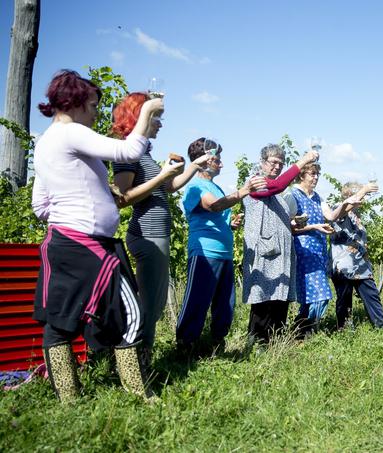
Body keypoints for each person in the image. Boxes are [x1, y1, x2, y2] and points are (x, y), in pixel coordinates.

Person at [31, 70, 163, 402]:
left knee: (60, 322)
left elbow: (39, 205)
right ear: (74, 102)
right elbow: (128, 152)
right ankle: (139, 395)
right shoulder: (71, 131)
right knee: (131, 315)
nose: (95, 113)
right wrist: (147, 111)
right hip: (89, 244)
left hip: (62, 241)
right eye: (92, 104)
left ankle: (70, 400)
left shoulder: (46, 142)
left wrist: (70, 214)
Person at [111, 92, 211, 365]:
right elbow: (123, 196)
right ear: (138, 117)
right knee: (150, 307)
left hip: (158, 235)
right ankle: (140, 363)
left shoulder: (143, 153)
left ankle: (142, 359)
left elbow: (168, 187)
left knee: (152, 304)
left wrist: (192, 167)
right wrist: (162, 176)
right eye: (156, 117)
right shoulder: (125, 153)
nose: (160, 124)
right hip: (147, 234)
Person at [175, 138, 266, 352]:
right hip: (205, 253)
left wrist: (231, 225)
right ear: (204, 160)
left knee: (225, 303)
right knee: (197, 300)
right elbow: (214, 206)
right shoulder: (195, 187)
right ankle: (185, 346)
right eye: (218, 160)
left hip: (224, 254)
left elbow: (216, 215)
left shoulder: (214, 186)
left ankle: (217, 344)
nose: (221, 164)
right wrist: (244, 191)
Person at [242, 144, 319, 344]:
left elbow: (279, 215)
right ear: (262, 162)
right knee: (263, 297)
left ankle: (275, 342)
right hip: (265, 251)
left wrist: (294, 222)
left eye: (280, 163)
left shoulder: (279, 194)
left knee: (279, 297)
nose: (277, 167)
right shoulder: (254, 181)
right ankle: (257, 342)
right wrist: (302, 161)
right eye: (273, 162)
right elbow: (276, 186)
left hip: (282, 253)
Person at [285, 162, 353, 336]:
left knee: (313, 295)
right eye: (312, 174)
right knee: (320, 294)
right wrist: (314, 227)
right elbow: (289, 226)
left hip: (319, 251)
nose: (315, 178)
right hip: (303, 250)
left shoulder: (317, 197)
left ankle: (303, 331)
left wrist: (346, 204)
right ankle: (304, 329)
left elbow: (331, 216)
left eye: (317, 174)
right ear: (302, 175)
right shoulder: (292, 196)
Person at [329, 182, 383, 330]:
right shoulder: (339, 209)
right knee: (344, 300)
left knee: (372, 296)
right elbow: (339, 215)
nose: (364, 199)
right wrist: (364, 190)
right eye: (361, 196)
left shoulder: (357, 215)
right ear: (349, 196)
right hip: (343, 266)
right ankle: (344, 330)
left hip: (362, 266)